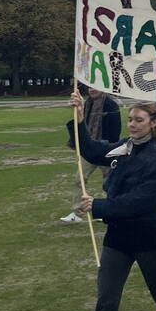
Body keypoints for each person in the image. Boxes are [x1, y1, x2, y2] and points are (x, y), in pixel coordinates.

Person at [66, 93, 156, 311]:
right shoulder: (124, 148)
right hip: (118, 239)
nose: (132, 124)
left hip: (149, 238)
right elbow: (90, 150)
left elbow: (140, 202)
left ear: (153, 123)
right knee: (107, 299)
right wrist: (79, 118)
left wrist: (98, 206)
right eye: (130, 119)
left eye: (139, 120)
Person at [62, 85, 121, 224]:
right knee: (79, 179)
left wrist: (110, 149)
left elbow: (116, 130)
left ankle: (109, 210)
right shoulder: (87, 104)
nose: (91, 90)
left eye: (94, 87)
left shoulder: (111, 105)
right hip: (90, 150)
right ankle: (77, 212)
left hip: (107, 151)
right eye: (89, 88)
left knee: (110, 183)